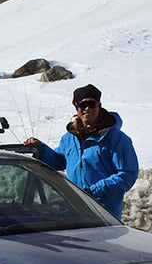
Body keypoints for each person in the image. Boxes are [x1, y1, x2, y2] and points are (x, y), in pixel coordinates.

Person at [24, 84, 138, 220]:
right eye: (83, 105)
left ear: (99, 106)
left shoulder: (116, 139)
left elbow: (127, 174)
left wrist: (94, 191)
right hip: (75, 209)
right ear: (76, 108)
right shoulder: (69, 137)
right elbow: (58, 160)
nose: (87, 109)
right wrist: (40, 148)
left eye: (92, 104)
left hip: (104, 212)